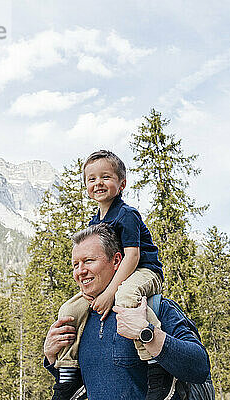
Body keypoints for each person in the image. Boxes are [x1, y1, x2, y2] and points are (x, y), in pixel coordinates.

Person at [43, 224, 211, 400]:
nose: (80, 271)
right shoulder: (79, 320)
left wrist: (148, 334)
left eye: (89, 261)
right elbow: (82, 387)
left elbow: (200, 368)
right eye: (75, 265)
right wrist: (51, 357)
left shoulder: (154, 308)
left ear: (116, 261)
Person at [54, 150, 170, 398]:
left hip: (144, 271)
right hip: (119, 276)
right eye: (91, 179)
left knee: (127, 297)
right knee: (69, 311)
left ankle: (155, 369)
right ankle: (66, 377)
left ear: (122, 183)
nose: (98, 183)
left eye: (106, 177)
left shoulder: (126, 214)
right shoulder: (95, 222)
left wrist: (109, 293)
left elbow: (132, 257)